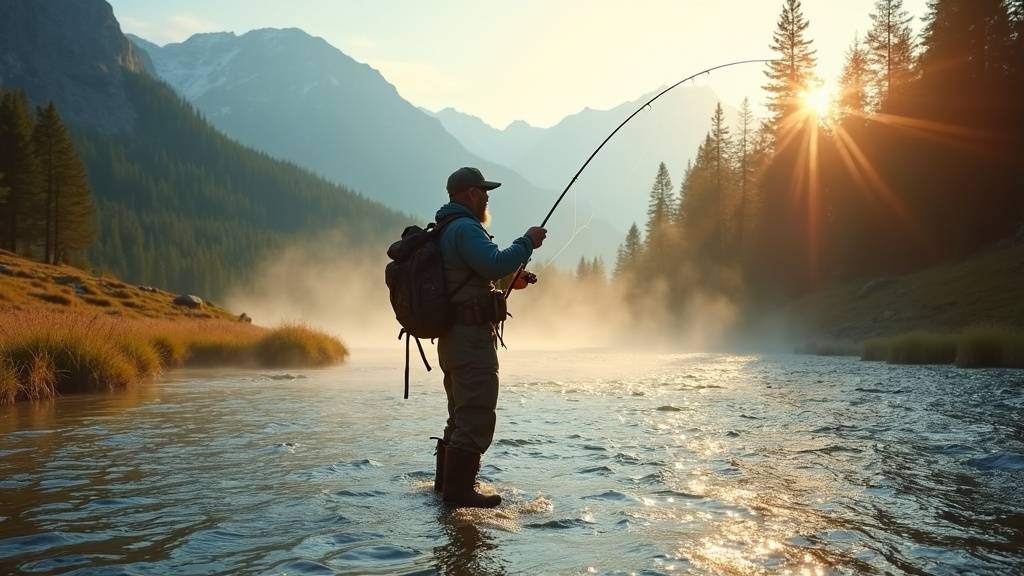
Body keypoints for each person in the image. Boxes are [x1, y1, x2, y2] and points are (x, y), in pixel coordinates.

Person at [433, 166, 546, 508]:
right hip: (469, 339)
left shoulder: (446, 228)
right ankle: (459, 494)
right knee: (476, 412)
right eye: (483, 191)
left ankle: (444, 488)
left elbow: (475, 275)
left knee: (460, 414)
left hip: (453, 337)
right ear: (469, 194)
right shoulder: (466, 227)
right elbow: (493, 263)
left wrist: (513, 278)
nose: (486, 197)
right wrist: (528, 241)